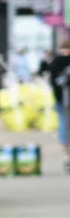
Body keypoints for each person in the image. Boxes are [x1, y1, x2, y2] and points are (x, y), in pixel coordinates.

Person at [40, 41, 70, 171]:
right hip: (64, 96)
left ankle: (65, 146)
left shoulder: (56, 61)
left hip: (60, 98)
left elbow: (46, 72)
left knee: (62, 121)